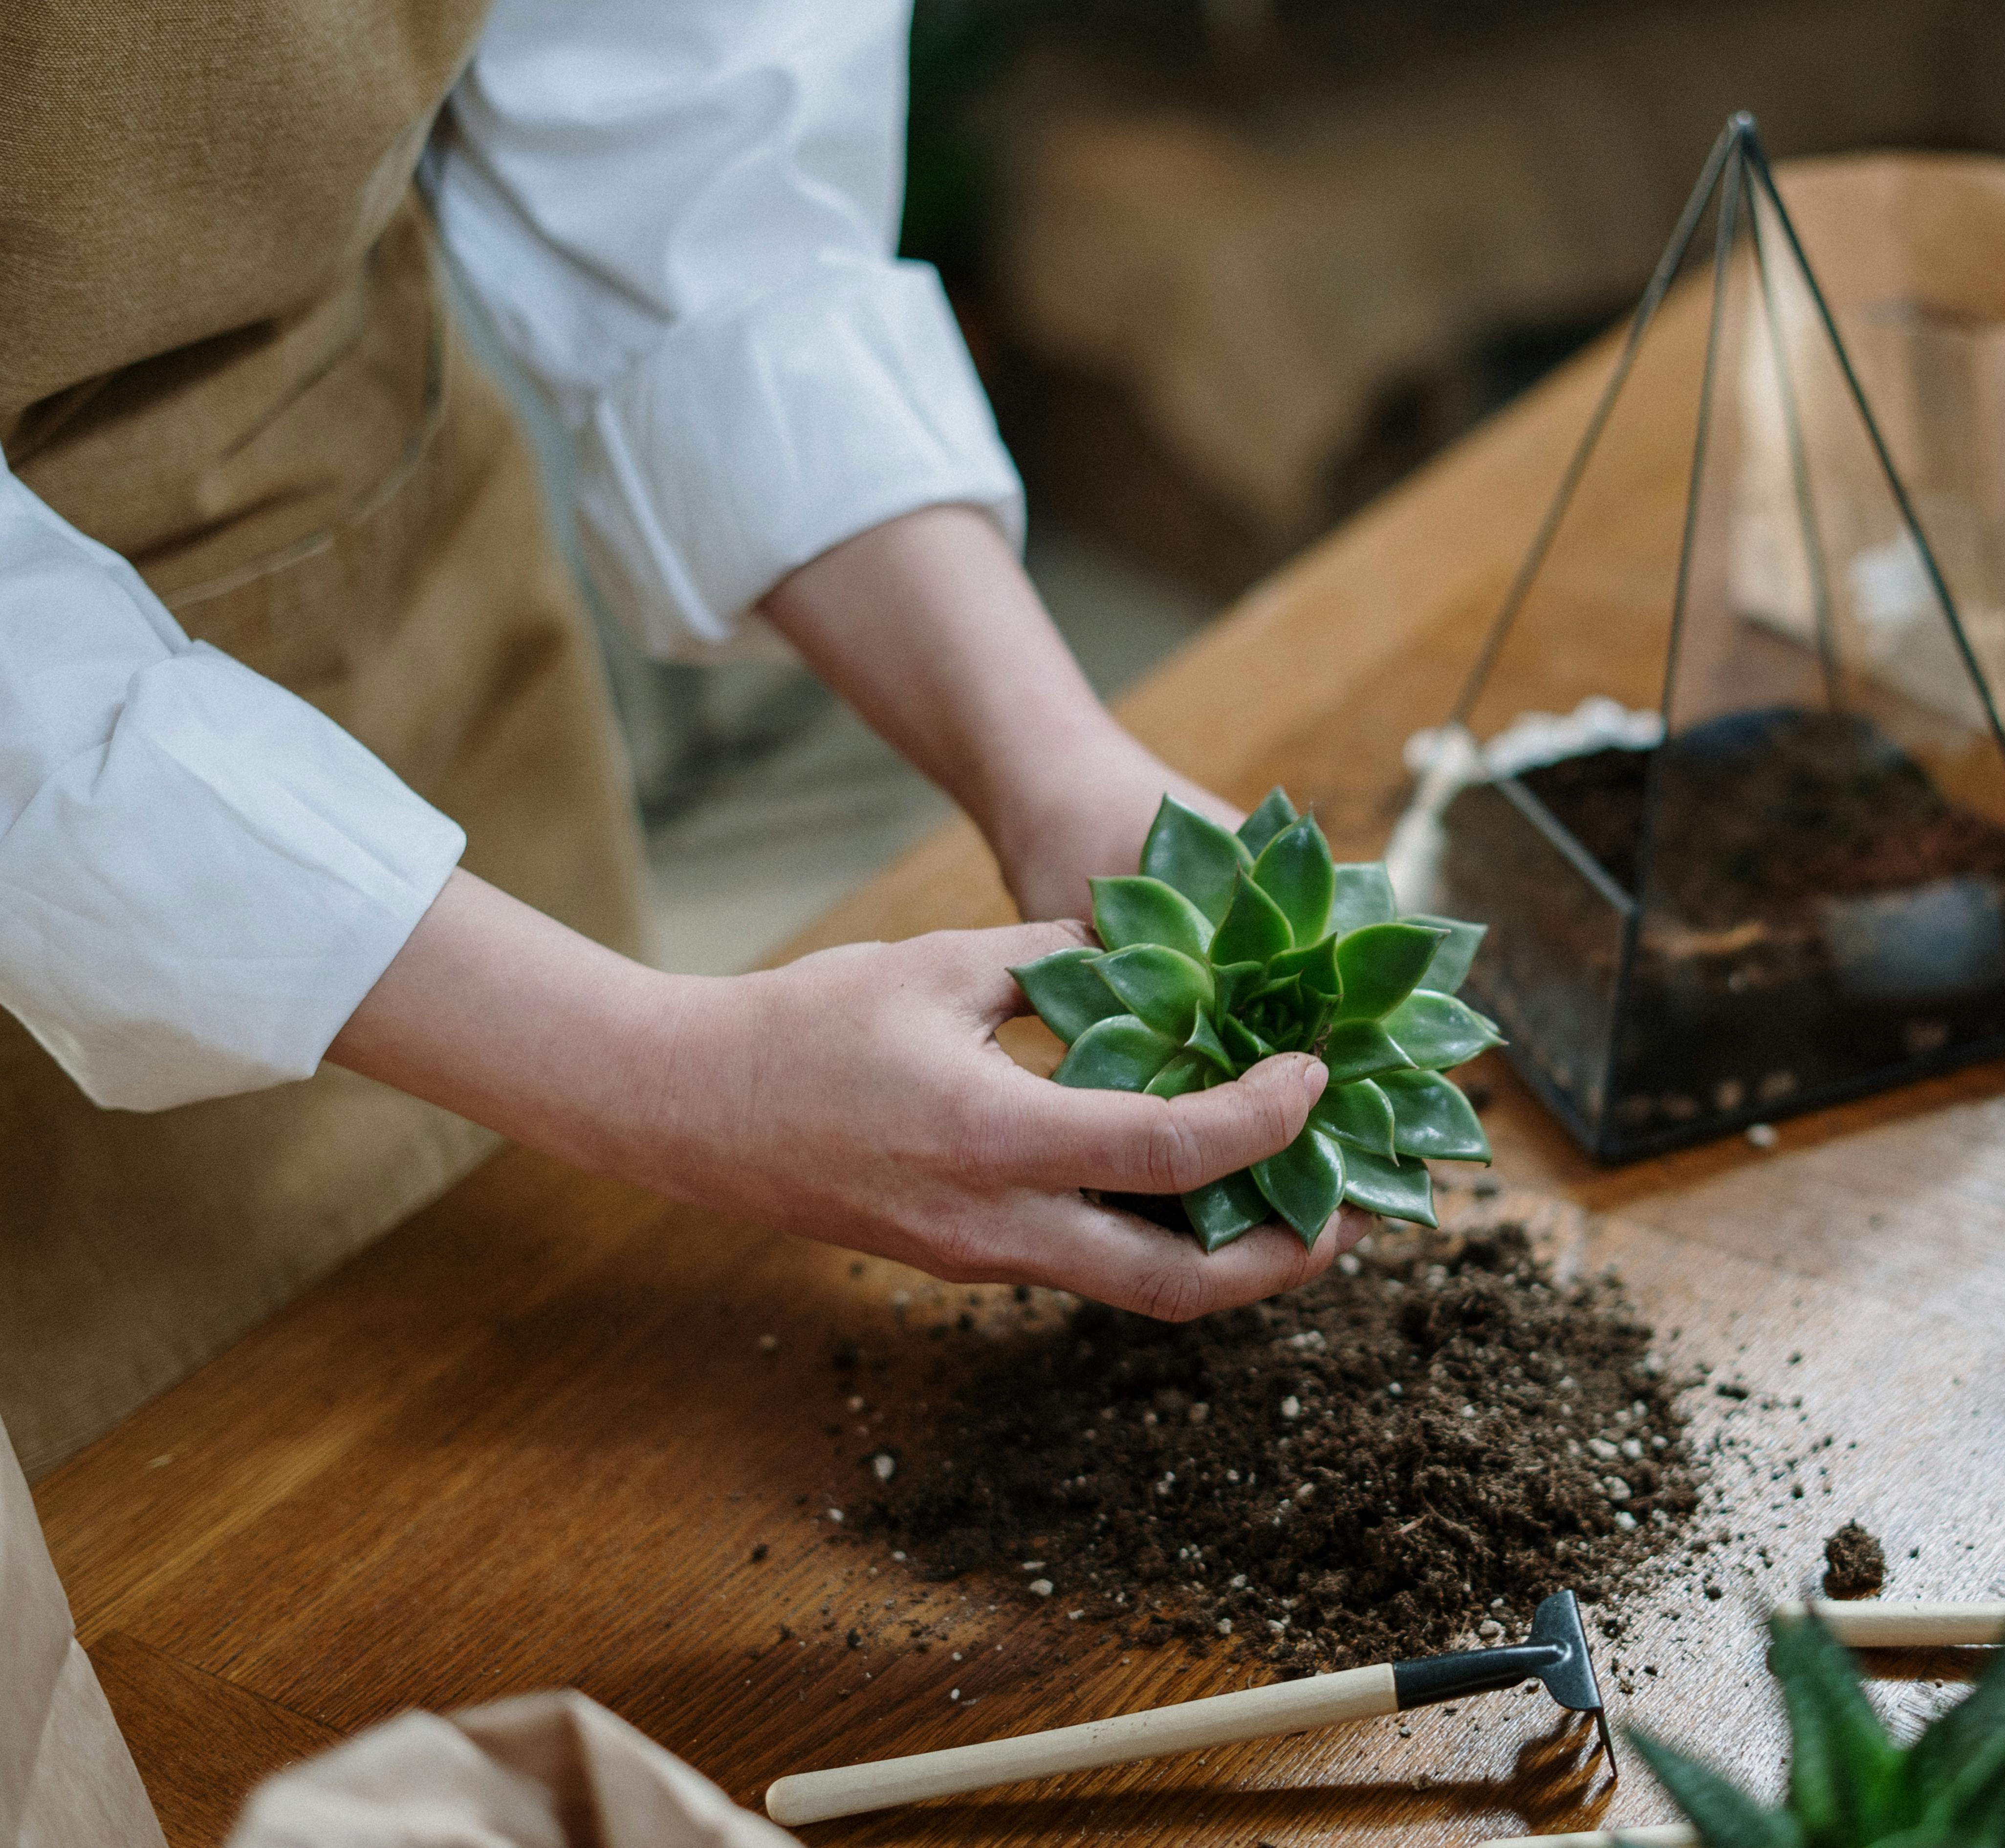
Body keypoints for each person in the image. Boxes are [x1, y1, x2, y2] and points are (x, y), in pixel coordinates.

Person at [0, 0, 1355, 1487]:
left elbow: (685, 115)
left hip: (388, 580)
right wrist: (667, 1074)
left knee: (571, 1404)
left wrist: (1050, 760)